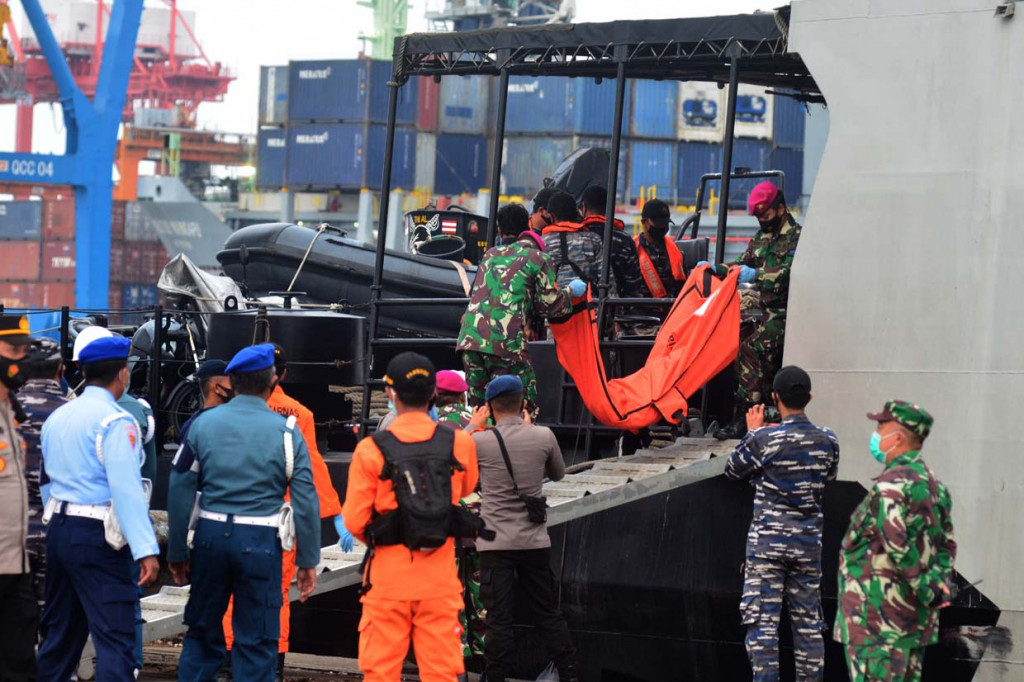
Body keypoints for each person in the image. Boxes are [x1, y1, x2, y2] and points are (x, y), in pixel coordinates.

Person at [168, 344, 321, 682]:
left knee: (202, 634)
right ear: (272, 381)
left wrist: (177, 550)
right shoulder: (287, 431)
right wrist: (307, 561)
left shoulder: (203, 425)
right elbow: (306, 499)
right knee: (257, 640)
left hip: (209, 539)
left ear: (232, 382)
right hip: (261, 543)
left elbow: (179, 488)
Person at [343, 352, 480, 682]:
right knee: (442, 673)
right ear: (433, 393)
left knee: (381, 672)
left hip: (388, 579)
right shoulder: (460, 443)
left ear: (390, 393)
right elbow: (466, 487)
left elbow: (355, 521)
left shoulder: (371, 449)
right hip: (439, 580)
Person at [219, 343, 351, 680]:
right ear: (284, 375)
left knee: (230, 590)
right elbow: (311, 471)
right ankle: (272, 665)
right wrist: (335, 513)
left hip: (228, 520)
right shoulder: (298, 415)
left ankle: (229, 660)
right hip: (280, 523)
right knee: (275, 594)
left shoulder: (225, 412)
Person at [37, 335, 160, 681]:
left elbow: (45, 480)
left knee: (60, 637)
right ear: (122, 373)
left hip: (58, 529)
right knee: (116, 640)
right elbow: (126, 489)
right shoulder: (116, 421)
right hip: (98, 537)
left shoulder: (58, 417)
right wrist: (146, 549)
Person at [724, 366, 839, 682]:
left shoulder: (763, 439)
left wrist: (752, 431)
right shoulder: (828, 440)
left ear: (775, 398)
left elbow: (733, 469)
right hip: (807, 548)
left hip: (768, 549)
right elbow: (828, 477)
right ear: (809, 398)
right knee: (809, 628)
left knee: (763, 627)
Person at [469, 375, 579, 682]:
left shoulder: (479, 441)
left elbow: (450, 459)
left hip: (495, 546)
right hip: (533, 542)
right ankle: (570, 673)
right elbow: (557, 475)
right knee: (547, 613)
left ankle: (495, 678)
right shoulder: (543, 437)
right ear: (522, 403)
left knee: (499, 620)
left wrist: (472, 425)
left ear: (490, 407)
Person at [836, 401, 956, 682]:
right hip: (913, 624)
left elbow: (897, 544)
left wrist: (927, 590)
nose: (876, 433)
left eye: (881, 426)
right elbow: (946, 546)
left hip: (878, 624)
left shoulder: (891, 486)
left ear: (899, 437)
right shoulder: (934, 485)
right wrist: (938, 587)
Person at [457, 203, 586, 413]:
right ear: (527, 226)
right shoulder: (537, 258)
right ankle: (518, 443)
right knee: (522, 403)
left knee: (480, 409)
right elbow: (551, 305)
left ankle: (481, 443)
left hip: (470, 341)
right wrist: (571, 292)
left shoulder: (489, 255)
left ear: (499, 230)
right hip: (505, 342)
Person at [710, 182, 802, 439]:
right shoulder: (761, 238)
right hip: (765, 311)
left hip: (789, 313)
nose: (762, 220)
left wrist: (758, 274)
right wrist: (714, 269)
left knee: (750, 349)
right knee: (735, 342)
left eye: (766, 214)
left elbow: (789, 273)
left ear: (781, 209)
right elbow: (741, 264)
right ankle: (759, 411)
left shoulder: (799, 237)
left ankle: (744, 417)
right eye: (758, 216)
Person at [166, 359, 233, 581]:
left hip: (212, 531)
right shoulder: (201, 426)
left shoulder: (195, 426)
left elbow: (180, 486)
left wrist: (177, 551)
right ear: (216, 386)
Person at [16, 337, 70, 606]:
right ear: (61, 370)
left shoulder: (6, 412)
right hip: (59, 535)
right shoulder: (75, 415)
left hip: (11, 535)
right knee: (54, 622)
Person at [0, 315, 37, 682]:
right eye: (13, 351)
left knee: (20, 659)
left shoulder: (11, 411)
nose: (20, 360)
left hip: (14, 562)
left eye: (25, 352)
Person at [579, 185, 647, 301]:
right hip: (615, 312)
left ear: (584, 208)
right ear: (609, 207)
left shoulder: (575, 238)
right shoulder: (624, 240)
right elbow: (634, 286)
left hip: (583, 313)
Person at [541, 191, 604, 287]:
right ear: (576, 214)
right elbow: (605, 278)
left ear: (552, 217)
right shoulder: (593, 240)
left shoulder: (541, 243)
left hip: (555, 300)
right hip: (589, 300)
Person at [634, 198, 686, 301]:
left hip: (671, 308)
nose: (663, 227)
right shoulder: (632, 249)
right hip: (640, 309)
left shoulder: (675, 250)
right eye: (659, 224)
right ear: (644, 222)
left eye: (665, 224)